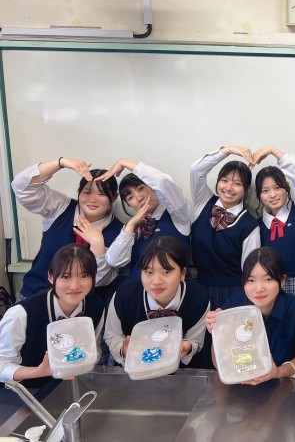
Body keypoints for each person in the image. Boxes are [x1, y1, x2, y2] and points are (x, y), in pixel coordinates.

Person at [11, 157, 123, 300]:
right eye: (86, 192)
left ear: (114, 197)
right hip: (35, 296)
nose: (92, 199)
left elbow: (100, 281)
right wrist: (61, 162)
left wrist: (97, 245)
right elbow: (21, 187)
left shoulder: (120, 232)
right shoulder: (62, 208)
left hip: (81, 306)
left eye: (101, 194)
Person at [0, 244, 104, 387]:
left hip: (71, 386)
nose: (75, 285)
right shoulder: (21, 313)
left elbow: (94, 350)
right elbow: (2, 365)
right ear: (51, 276)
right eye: (66, 276)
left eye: (84, 276)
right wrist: (37, 372)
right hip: (25, 390)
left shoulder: (96, 306)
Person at [205, 246, 295, 382]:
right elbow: (219, 357)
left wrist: (277, 372)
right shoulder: (232, 306)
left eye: (268, 279)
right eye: (251, 280)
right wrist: (217, 331)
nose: (259, 289)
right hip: (240, 384)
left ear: (282, 280)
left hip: (284, 383)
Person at [104, 236, 210, 367]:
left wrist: (187, 346)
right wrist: (124, 348)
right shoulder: (124, 296)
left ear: (183, 273)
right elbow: (112, 335)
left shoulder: (198, 298)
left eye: (166, 272)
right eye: (149, 272)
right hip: (134, 369)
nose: (156, 281)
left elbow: (196, 340)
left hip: (182, 371)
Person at [190, 145, 260, 308]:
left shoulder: (250, 225)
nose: (229, 188)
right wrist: (227, 150)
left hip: (234, 293)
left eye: (237, 183)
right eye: (224, 180)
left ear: (247, 189)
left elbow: (250, 271)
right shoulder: (203, 203)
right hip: (198, 289)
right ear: (217, 181)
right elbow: (196, 170)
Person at [253, 146, 295, 303]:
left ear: (287, 188)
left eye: (277, 188)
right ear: (259, 195)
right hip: (274, 286)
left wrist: (273, 151)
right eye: (265, 191)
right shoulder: (257, 226)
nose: (272, 195)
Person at [100, 158, 190, 279]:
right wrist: (131, 225)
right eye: (130, 197)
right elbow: (113, 261)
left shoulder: (177, 215)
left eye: (141, 188)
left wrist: (123, 162)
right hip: (136, 288)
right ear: (129, 205)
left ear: (152, 187)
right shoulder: (133, 228)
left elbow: (162, 181)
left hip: (171, 288)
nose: (139, 198)